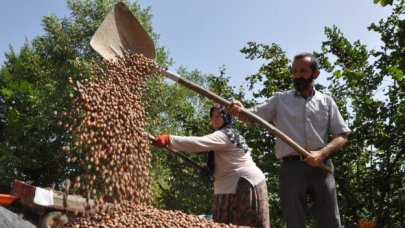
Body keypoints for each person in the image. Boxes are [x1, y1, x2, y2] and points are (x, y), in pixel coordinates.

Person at [227, 53, 351, 228]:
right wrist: (240, 110)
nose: (297, 75)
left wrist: (322, 153)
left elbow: (342, 135)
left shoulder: (326, 102)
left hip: (322, 168)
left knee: (330, 221)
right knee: (294, 222)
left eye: (303, 71)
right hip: (291, 169)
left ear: (315, 74)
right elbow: (252, 116)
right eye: (294, 71)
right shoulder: (280, 100)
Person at [153, 105, 270, 228]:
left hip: (242, 185)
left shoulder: (225, 134)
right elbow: (226, 160)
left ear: (227, 117)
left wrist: (169, 139)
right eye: (212, 116)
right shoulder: (228, 134)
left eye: (219, 115)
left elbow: (197, 143)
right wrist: (210, 169)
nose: (214, 119)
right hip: (233, 184)